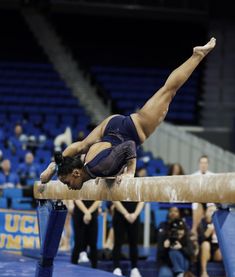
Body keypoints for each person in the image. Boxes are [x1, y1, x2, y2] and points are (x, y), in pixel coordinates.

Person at [40, 38, 216, 189]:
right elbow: (83, 150)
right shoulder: (87, 164)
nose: (68, 187)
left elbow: (129, 145)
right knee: (83, 144)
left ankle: (197, 55)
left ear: (76, 173)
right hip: (110, 127)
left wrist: (130, 172)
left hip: (133, 128)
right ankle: (53, 164)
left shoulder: (95, 166)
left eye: (67, 183)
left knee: (168, 91)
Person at [156, 210, 196, 277]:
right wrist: (165, 248)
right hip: (168, 265)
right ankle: (179, 274)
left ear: (184, 230)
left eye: (181, 229)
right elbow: (159, 256)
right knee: (164, 274)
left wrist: (181, 248)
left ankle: (179, 273)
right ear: (171, 231)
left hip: (184, 266)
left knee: (175, 251)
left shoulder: (187, 238)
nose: (179, 232)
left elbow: (192, 254)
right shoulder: (165, 237)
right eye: (177, 229)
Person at [112, 200, 145, 277]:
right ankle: (116, 267)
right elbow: (114, 199)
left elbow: (142, 200)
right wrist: (126, 214)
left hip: (134, 215)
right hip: (120, 214)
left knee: (134, 243)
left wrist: (135, 214)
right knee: (117, 242)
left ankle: (134, 268)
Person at [71, 199, 101, 268]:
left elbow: (99, 199)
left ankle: (94, 266)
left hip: (92, 213)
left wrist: (88, 212)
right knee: (78, 242)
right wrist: (86, 212)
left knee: (93, 243)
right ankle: (73, 265)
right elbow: (76, 198)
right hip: (79, 212)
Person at [191, 155, 214, 236]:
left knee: (209, 214)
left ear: (208, 164)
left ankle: (207, 234)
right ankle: (194, 230)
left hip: (210, 202)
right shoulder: (193, 176)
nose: (203, 165)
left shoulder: (213, 176)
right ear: (199, 164)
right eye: (201, 163)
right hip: (198, 201)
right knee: (196, 205)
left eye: (205, 163)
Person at [197, 204, 222, 277]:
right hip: (205, 251)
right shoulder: (202, 224)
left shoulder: (221, 224)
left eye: (214, 211)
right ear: (205, 213)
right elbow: (199, 241)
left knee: (224, 250)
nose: (212, 213)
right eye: (210, 211)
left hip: (217, 250)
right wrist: (207, 233)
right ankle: (204, 272)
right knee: (205, 245)